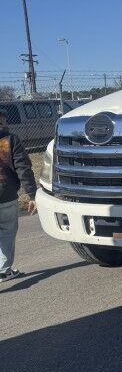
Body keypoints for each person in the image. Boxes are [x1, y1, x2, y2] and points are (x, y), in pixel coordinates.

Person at [0, 110, 37, 282]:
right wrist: (32, 195)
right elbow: (23, 168)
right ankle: (3, 270)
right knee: (7, 231)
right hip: (5, 195)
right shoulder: (10, 140)